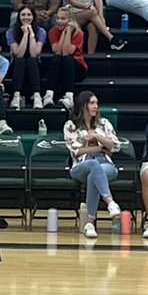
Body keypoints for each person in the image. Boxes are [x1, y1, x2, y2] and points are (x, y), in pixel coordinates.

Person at [63, 90, 121, 239]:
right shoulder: (71, 126)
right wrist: (101, 148)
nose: (96, 106)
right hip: (81, 165)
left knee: (93, 176)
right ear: (83, 106)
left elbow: (115, 146)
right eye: (92, 103)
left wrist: (96, 136)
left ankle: (90, 223)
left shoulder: (104, 123)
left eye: (96, 103)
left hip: (105, 164)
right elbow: (76, 151)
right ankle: (110, 202)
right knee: (93, 165)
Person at [43, 6, 88, 112]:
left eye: (63, 19)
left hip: (77, 68)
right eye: (58, 18)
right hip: (61, 67)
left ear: (70, 20)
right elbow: (58, 51)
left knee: (67, 58)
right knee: (56, 58)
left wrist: (68, 32)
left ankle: (69, 96)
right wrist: (64, 33)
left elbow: (67, 52)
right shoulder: (53, 32)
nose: (59, 21)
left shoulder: (78, 33)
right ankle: (49, 95)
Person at [6, 5, 46, 109]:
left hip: (35, 66)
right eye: (23, 15)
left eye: (29, 15)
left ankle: (37, 96)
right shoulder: (11, 32)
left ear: (33, 17)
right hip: (16, 66)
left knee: (31, 60)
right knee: (21, 60)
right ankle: (16, 96)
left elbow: (34, 53)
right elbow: (18, 53)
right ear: (19, 17)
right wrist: (25, 34)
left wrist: (31, 34)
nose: (26, 17)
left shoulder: (41, 31)